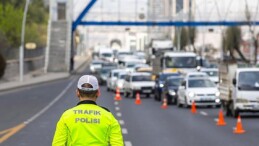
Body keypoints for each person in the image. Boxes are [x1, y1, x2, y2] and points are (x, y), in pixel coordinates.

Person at [52, 75, 124, 146]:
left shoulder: (66, 116)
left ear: (77, 92)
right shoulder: (109, 117)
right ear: (98, 93)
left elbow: (57, 144)